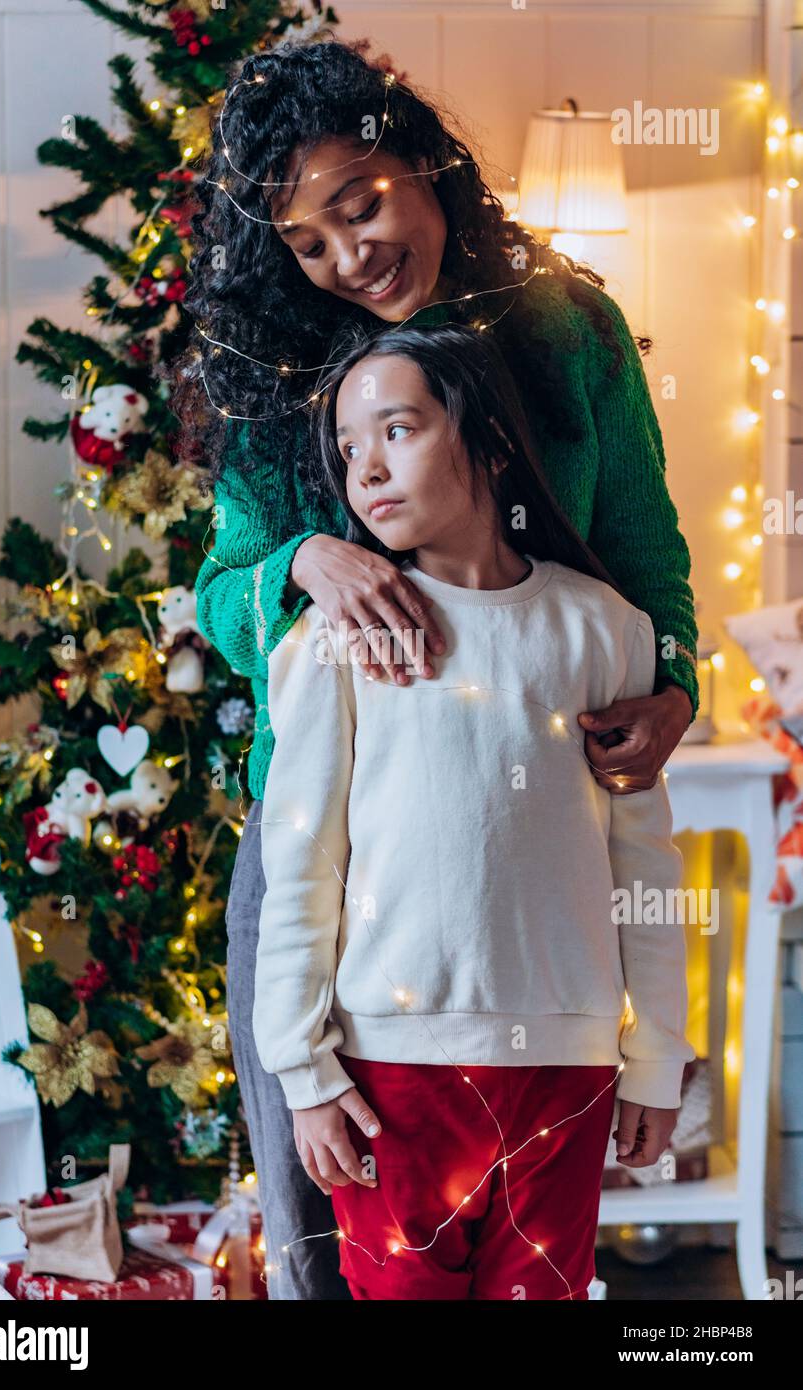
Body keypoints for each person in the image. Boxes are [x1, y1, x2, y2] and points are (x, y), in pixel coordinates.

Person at [173, 37, 699, 1299]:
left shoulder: (568, 333)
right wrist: (303, 561)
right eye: (308, 240)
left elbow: (646, 557)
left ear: (424, 161)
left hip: (533, 888)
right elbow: (216, 591)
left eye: (360, 203)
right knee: (332, 1241)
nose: (349, 254)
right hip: (330, 871)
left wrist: (671, 687)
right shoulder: (282, 377)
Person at [251, 321, 696, 1300]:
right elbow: (303, 860)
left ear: (488, 440)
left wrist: (655, 1059)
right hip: (389, 1079)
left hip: (566, 1074)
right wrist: (301, 1069)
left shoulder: (606, 631)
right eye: (348, 449)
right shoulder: (333, 643)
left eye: (396, 430)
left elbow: (645, 871)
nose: (365, 467)